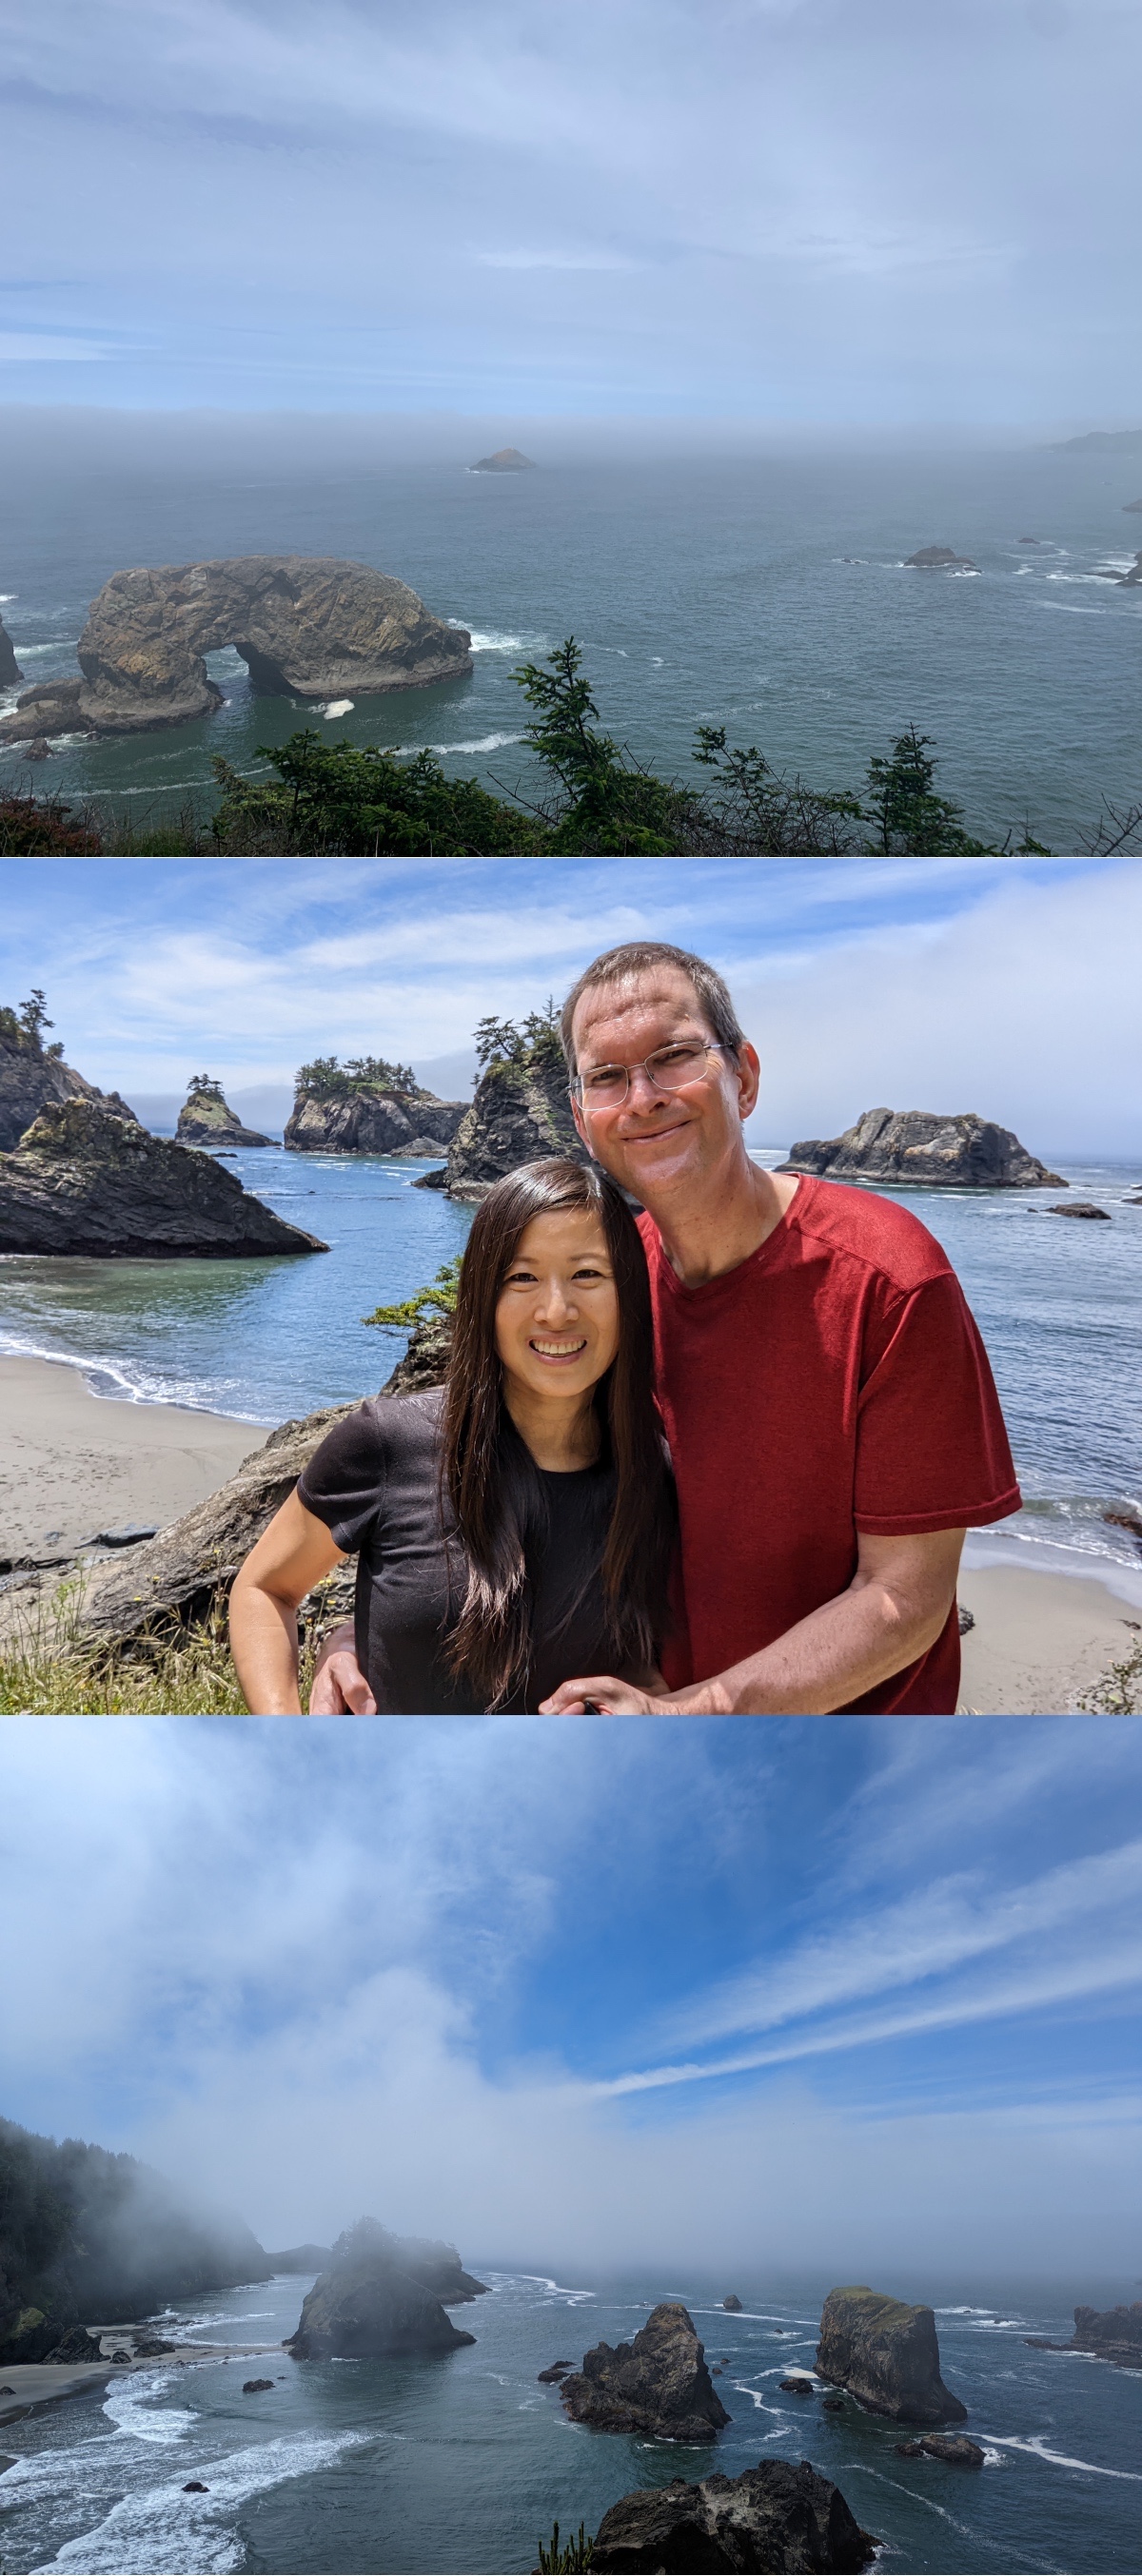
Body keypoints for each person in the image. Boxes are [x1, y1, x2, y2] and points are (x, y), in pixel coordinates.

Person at [533, 939, 1020, 1714]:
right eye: (608, 1077)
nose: (643, 1096)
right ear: (583, 1119)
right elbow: (529, 1492)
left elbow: (907, 1599)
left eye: (674, 1057)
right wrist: (369, 1629)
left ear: (744, 1076)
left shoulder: (888, 1279)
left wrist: (697, 1713)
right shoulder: (609, 1286)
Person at [228, 1158, 676, 1715]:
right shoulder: (388, 1441)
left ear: (628, 1293)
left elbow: (644, 1659)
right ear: (484, 1297)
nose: (556, 1311)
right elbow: (264, 1590)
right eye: (522, 1277)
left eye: (588, 1274)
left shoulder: (654, 1472)